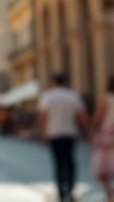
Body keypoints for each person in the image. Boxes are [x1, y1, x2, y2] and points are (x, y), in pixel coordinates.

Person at [38, 73, 89, 202]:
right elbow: (81, 116)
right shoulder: (72, 95)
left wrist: (42, 135)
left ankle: (61, 192)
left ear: (53, 82)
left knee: (58, 163)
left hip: (54, 134)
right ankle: (70, 188)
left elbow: (43, 117)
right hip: (69, 133)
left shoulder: (47, 96)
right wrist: (87, 130)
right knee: (70, 162)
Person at [90, 75, 114, 201]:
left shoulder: (105, 98)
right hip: (108, 136)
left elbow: (98, 118)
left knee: (102, 168)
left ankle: (109, 193)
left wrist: (94, 131)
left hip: (107, 137)